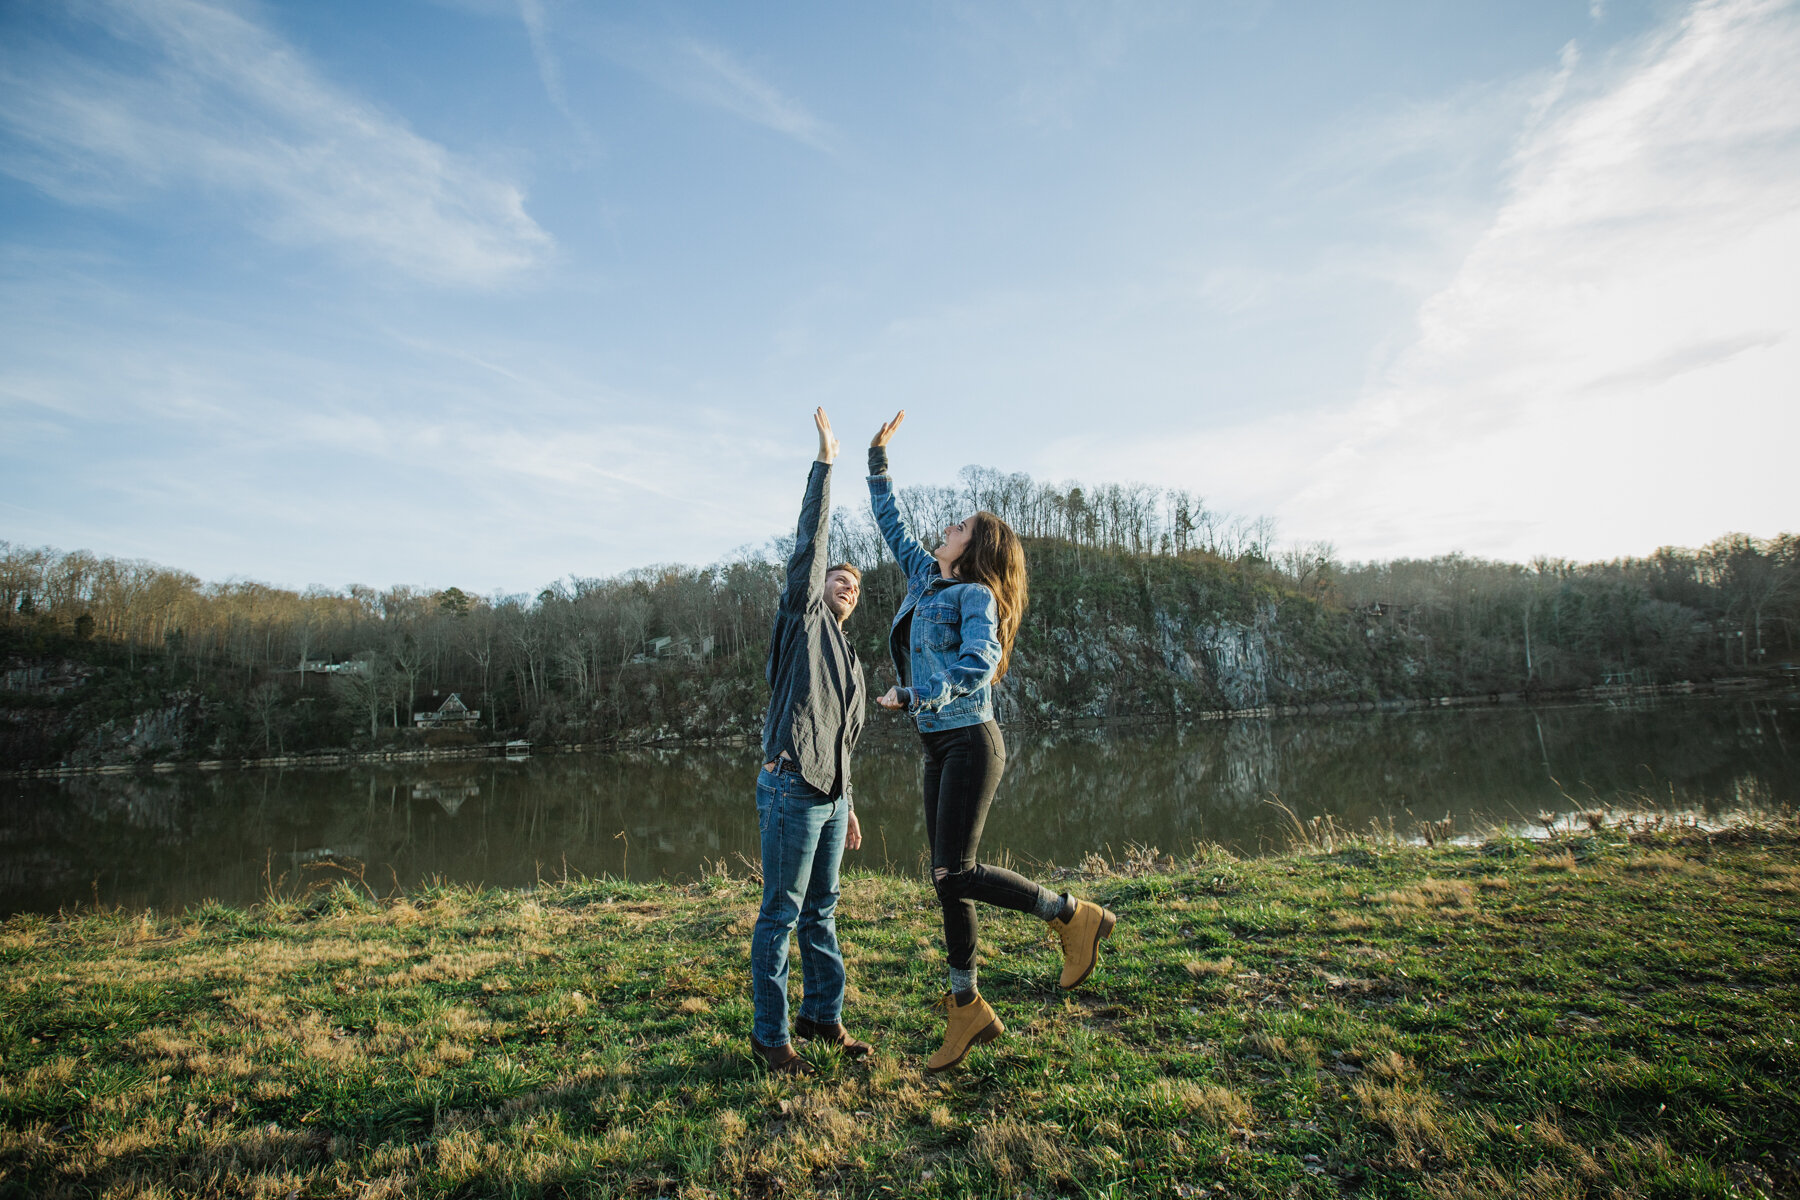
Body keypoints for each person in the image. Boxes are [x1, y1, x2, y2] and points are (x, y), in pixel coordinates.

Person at [866, 410, 1117, 1072]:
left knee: (958, 871)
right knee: (946, 881)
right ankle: (966, 1009)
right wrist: (877, 462)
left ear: (974, 548)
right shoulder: (927, 580)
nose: (944, 531)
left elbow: (979, 661)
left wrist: (921, 694)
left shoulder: (976, 595)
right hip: (937, 746)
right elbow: (889, 524)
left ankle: (1069, 915)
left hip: (972, 741)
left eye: (957, 528)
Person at [748, 407, 872, 1076]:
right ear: (818, 588)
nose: (846, 587)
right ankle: (770, 1039)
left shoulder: (850, 661)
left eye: (855, 585)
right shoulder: (803, 623)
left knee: (823, 912)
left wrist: (848, 804)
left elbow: (843, 740)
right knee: (782, 914)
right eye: (838, 579)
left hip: (828, 798)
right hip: (791, 786)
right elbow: (810, 547)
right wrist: (827, 463)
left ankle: (821, 1017)